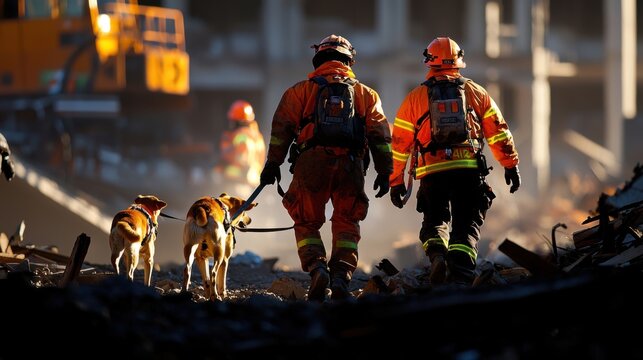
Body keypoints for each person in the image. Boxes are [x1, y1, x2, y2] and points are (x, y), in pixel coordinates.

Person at [260, 34, 393, 301]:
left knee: (306, 221)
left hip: (312, 162)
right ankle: (342, 277)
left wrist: (272, 163)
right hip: (351, 165)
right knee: (347, 221)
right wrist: (384, 171)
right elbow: (380, 135)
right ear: (349, 60)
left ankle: (317, 267)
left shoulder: (300, 91)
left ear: (319, 58)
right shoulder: (366, 94)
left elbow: (281, 130)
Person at [389, 37, 521, 286]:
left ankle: (437, 255)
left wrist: (396, 181)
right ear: (459, 60)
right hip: (468, 170)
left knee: (435, 220)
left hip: (432, 171)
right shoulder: (476, 92)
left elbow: (399, 146)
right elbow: (499, 132)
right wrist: (510, 165)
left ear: (429, 61)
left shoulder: (415, 98)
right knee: (466, 225)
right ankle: (460, 276)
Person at [215, 100, 267, 191]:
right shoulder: (257, 136)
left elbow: (241, 160)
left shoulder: (240, 136)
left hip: (238, 183)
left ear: (236, 121)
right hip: (253, 183)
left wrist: (221, 168)